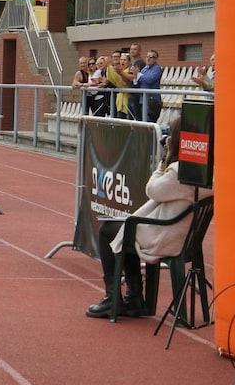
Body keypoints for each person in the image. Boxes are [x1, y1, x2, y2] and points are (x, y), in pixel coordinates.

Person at [86, 117, 213, 318]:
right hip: (187, 236)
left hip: (167, 234)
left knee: (108, 231)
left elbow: (153, 190)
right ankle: (134, 296)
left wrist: (164, 161)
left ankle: (113, 298)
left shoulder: (180, 171)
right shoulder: (208, 169)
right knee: (121, 228)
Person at [133, 49, 163, 123]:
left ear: (156, 59)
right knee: (142, 122)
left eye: (151, 57)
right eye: (147, 56)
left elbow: (149, 79)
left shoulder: (157, 68)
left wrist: (138, 74)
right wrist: (135, 75)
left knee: (149, 123)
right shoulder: (144, 69)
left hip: (152, 101)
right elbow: (137, 81)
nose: (148, 58)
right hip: (143, 100)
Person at [106, 50, 130, 118]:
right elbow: (112, 79)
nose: (122, 61)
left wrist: (110, 66)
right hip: (119, 101)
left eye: (124, 60)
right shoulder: (117, 70)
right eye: (121, 60)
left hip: (127, 100)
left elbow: (120, 80)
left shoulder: (128, 70)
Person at [126, 43, 146, 120]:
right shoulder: (132, 63)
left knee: (137, 119)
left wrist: (120, 73)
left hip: (136, 96)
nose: (132, 51)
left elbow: (133, 77)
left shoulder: (140, 62)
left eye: (135, 49)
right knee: (130, 120)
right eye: (131, 49)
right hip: (131, 94)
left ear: (140, 51)